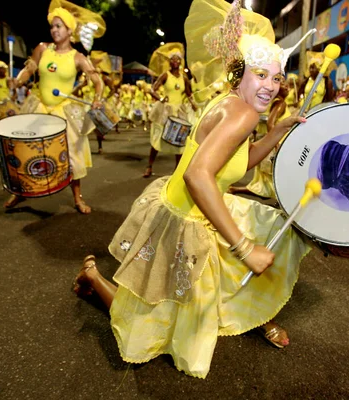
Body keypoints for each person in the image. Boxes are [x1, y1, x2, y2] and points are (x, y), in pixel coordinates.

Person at [72, 0, 311, 379]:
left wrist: (277, 132)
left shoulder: (233, 103)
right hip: (183, 218)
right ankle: (92, 277)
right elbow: (198, 176)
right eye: (261, 75)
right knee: (146, 326)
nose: (271, 86)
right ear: (240, 73)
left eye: (277, 77)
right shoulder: (243, 112)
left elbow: (240, 163)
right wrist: (244, 248)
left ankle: (253, 317)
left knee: (193, 300)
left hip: (188, 209)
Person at [5, 2, 106, 214]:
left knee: (71, 154)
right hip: (39, 107)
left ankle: (77, 198)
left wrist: (98, 98)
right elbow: (29, 68)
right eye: (52, 26)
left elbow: (98, 81)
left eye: (59, 26)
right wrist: (17, 81)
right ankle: (20, 191)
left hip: (64, 111)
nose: (54, 30)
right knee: (26, 150)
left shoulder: (78, 58)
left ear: (70, 30)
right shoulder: (42, 48)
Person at [228, 82, 291, 198]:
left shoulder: (272, 101)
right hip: (273, 141)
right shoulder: (280, 103)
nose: (287, 87)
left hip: (265, 139)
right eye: (282, 83)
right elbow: (270, 124)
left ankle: (234, 188)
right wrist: (277, 144)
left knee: (264, 181)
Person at [144, 42, 197, 178]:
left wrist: (193, 103)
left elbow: (189, 94)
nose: (175, 61)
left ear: (180, 62)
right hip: (165, 111)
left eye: (177, 59)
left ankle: (177, 171)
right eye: (172, 59)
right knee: (158, 139)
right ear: (169, 61)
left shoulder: (184, 78)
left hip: (179, 111)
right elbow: (152, 89)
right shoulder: (165, 75)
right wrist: (160, 98)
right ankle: (149, 166)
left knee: (179, 141)